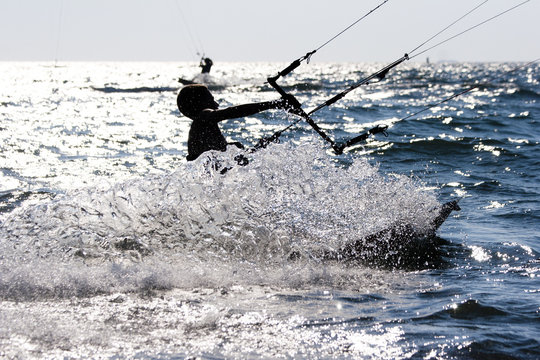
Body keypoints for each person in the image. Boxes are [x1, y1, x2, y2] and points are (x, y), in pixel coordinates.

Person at [177, 84, 300, 162]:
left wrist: (257, 148)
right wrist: (274, 104)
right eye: (211, 101)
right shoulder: (203, 117)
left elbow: (227, 167)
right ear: (200, 104)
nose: (216, 105)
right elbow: (232, 112)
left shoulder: (203, 130)